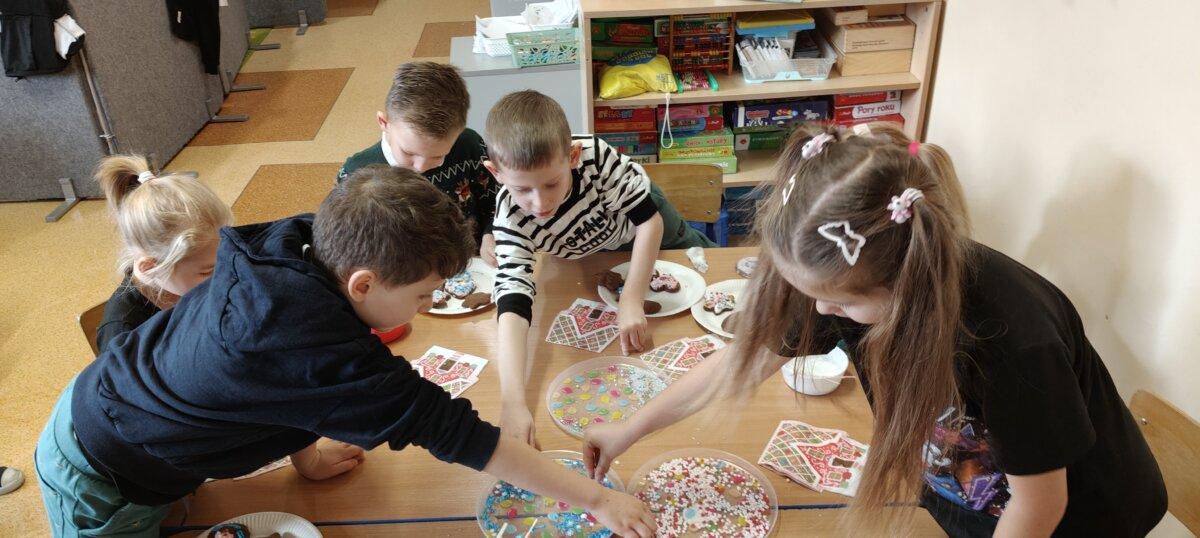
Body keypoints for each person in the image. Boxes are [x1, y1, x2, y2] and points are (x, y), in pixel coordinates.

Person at [581, 123, 1167, 536]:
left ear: (905, 286)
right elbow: (744, 359)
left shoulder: (1012, 342)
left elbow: (1040, 505)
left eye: (838, 303)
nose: (819, 312)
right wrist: (629, 429)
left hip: (1082, 517)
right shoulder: (844, 276)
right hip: (968, 495)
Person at [35, 165, 656, 538]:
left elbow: (272, 384)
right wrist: (599, 499)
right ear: (362, 284)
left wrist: (303, 454)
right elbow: (462, 436)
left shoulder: (304, 238)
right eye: (421, 295)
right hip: (102, 471)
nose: (425, 307)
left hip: (140, 419)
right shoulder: (312, 345)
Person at [485, 90, 715, 447]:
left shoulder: (595, 158)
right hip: (587, 251)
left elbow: (649, 223)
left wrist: (631, 299)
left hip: (640, 223)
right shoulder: (509, 218)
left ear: (573, 156)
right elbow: (513, 302)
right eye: (522, 190)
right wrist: (513, 402)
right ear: (496, 173)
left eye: (552, 183)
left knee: (701, 267)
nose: (540, 203)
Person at [336, 61, 500, 264]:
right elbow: (350, 243)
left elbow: (495, 199)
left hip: (472, 261)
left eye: (438, 156)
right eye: (408, 152)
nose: (420, 168)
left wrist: (490, 233)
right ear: (384, 123)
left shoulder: (469, 145)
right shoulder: (355, 174)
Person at [92, 154, 233, 351]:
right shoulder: (123, 335)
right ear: (151, 267)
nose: (224, 276)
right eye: (207, 271)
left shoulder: (188, 275)